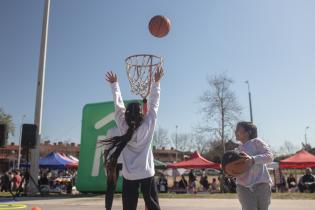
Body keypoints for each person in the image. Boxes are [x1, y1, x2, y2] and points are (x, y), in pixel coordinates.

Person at [104, 68, 163, 210]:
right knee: (152, 204)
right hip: (147, 173)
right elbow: (154, 104)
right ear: (142, 116)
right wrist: (157, 82)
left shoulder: (123, 127)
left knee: (129, 207)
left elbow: (118, 107)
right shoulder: (148, 125)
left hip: (130, 176)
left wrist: (114, 85)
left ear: (126, 116)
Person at [234, 121, 273, 210]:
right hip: (243, 187)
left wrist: (253, 159)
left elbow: (270, 157)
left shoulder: (256, 142)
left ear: (248, 132)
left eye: (238, 129)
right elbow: (236, 170)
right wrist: (231, 173)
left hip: (261, 185)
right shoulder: (236, 150)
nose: (235, 132)